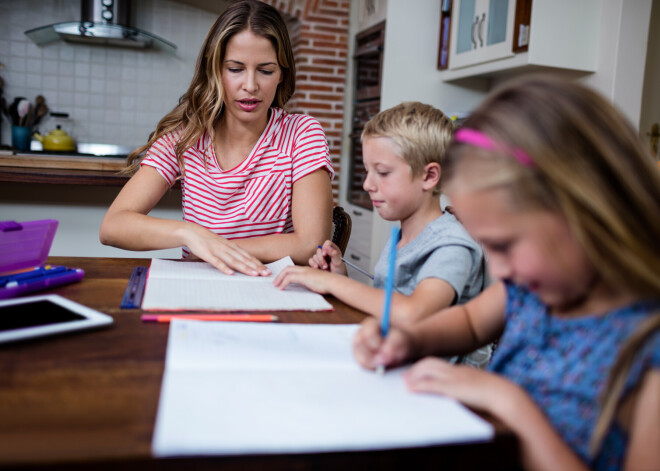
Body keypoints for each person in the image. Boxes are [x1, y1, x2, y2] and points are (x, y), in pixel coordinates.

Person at [352, 76, 660, 470]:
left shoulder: (647, 351)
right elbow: (467, 321)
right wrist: (409, 339)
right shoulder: (532, 288)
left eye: (505, 245)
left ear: (581, 212)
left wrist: (510, 403)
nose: (498, 270)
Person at [99, 0, 333, 276]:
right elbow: (113, 227)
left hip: (272, 289)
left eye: (266, 70)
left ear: (282, 74)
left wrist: (217, 247)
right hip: (199, 286)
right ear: (215, 71)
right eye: (235, 69)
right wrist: (190, 234)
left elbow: (310, 244)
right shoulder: (185, 139)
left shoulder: (302, 134)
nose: (250, 85)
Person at [275, 102, 487, 354]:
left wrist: (330, 284)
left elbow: (413, 313)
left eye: (383, 172)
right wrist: (338, 276)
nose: (367, 184)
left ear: (429, 176)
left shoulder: (452, 245)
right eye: (367, 171)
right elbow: (386, 305)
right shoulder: (405, 235)